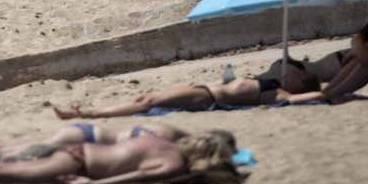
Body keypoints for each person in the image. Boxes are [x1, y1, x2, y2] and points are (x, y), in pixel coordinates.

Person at [0, 132, 242, 184]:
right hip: (79, 166)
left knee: (7, 154)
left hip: (79, 148)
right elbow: (131, 178)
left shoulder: (161, 140)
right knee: (6, 171)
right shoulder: (174, 165)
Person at [51, 66, 321, 119]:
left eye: (299, 76)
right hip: (201, 89)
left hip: (207, 98)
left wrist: (335, 91)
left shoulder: (280, 96)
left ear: (300, 86)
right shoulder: (274, 83)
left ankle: (87, 113)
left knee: (145, 101)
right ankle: (88, 113)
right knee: (145, 99)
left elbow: (314, 97)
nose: (294, 73)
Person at [0, 121, 192, 168]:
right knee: (9, 154)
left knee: (6, 147)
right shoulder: (166, 143)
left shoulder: (169, 131)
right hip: (84, 139)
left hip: (85, 133)